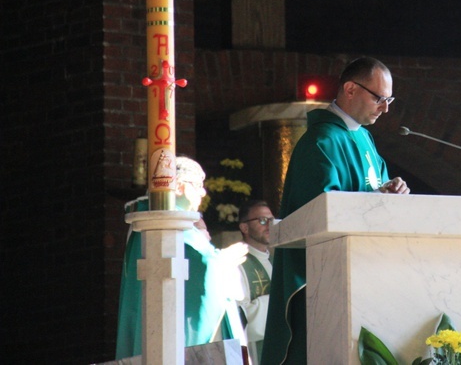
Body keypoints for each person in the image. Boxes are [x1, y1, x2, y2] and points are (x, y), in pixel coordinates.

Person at [261, 56, 410, 364]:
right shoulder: (322, 141)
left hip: (366, 269)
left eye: (389, 99)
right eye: (379, 98)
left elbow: (374, 190)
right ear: (350, 89)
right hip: (327, 278)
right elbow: (321, 212)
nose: (385, 108)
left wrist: (393, 191)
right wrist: (375, 197)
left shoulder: (363, 138)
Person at [115, 156, 249, 359]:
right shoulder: (169, 223)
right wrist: (225, 261)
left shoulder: (154, 222)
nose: (203, 192)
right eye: (197, 185)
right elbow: (204, 269)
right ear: (177, 187)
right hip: (172, 334)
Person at [236, 199, 275, 365]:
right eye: (262, 220)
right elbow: (240, 318)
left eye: (272, 220)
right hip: (254, 354)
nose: (269, 226)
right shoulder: (238, 263)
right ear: (244, 227)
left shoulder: (277, 261)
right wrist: (277, 301)